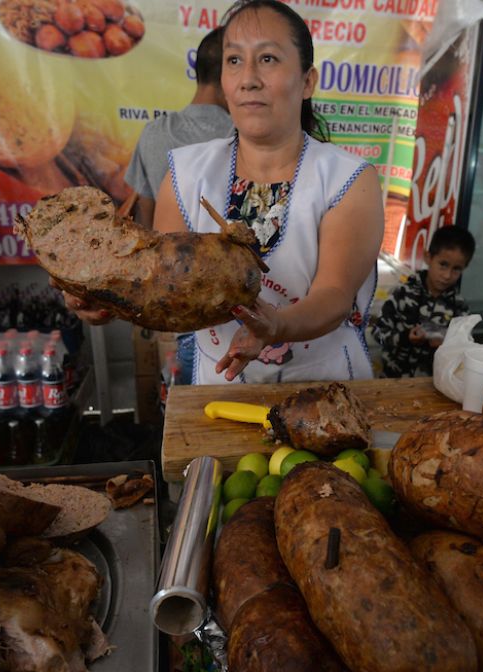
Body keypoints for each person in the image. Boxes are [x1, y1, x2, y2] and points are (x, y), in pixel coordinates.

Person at [145, 0, 383, 384]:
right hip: (218, 393)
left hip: (323, 392)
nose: (248, 78)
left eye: (268, 59)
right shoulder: (186, 175)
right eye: (234, 61)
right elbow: (163, 287)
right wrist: (108, 299)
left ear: (307, 81)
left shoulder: (348, 179)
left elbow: (335, 294)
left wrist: (275, 325)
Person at [125, 27, 234, 229]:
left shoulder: (153, 132)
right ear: (227, 76)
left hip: (166, 254)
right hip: (231, 257)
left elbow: (145, 217)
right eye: (238, 65)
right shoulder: (244, 137)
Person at [371, 225, 475, 378]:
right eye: (443, 264)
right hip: (393, 381)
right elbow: (377, 333)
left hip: (433, 386)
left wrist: (446, 346)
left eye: (456, 269)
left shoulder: (459, 308)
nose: (447, 275)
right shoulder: (403, 293)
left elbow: (466, 348)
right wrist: (406, 337)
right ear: (428, 257)